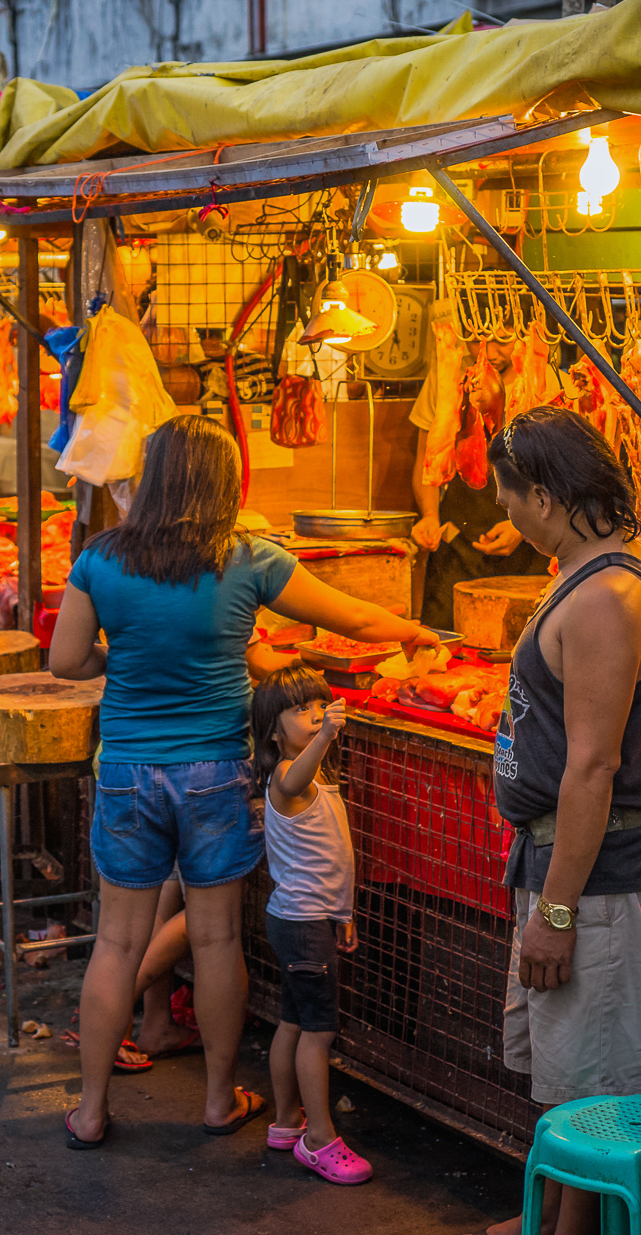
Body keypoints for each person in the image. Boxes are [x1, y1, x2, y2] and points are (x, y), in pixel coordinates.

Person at [48, 414, 432, 1149]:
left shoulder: (99, 558)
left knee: (117, 944)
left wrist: (121, 666)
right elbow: (350, 616)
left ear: (153, 477)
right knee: (219, 938)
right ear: (225, 485)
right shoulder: (249, 558)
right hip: (216, 773)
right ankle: (218, 1101)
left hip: (128, 769)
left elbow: (66, 661)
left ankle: (92, 1111)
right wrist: (413, 631)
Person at [435, 406, 641, 1235]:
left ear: (544, 493)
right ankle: (545, 1223)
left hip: (600, 882)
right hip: (567, 869)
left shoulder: (610, 597)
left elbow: (593, 768)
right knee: (566, 1072)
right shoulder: (587, 574)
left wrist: (559, 913)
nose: (503, 512)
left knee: (594, 1091)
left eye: (508, 496)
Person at [254, 661, 369, 1185]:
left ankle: (285, 1122)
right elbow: (296, 773)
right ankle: (320, 1139)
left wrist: (342, 916)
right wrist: (325, 734)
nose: (316, 714)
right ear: (273, 728)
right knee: (318, 1033)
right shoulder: (287, 776)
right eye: (301, 709)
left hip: (306, 918)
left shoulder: (317, 777)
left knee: (294, 1022)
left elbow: (331, 860)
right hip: (301, 924)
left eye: (320, 704)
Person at [409, 315, 549, 630]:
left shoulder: (545, 384)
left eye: (502, 340)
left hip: (530, 552)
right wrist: (430, 515)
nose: (489, 351)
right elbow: (427, 459)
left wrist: (523, 527)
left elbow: (561, 482)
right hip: (458, 545)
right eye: (477, 339)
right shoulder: (450, 378)